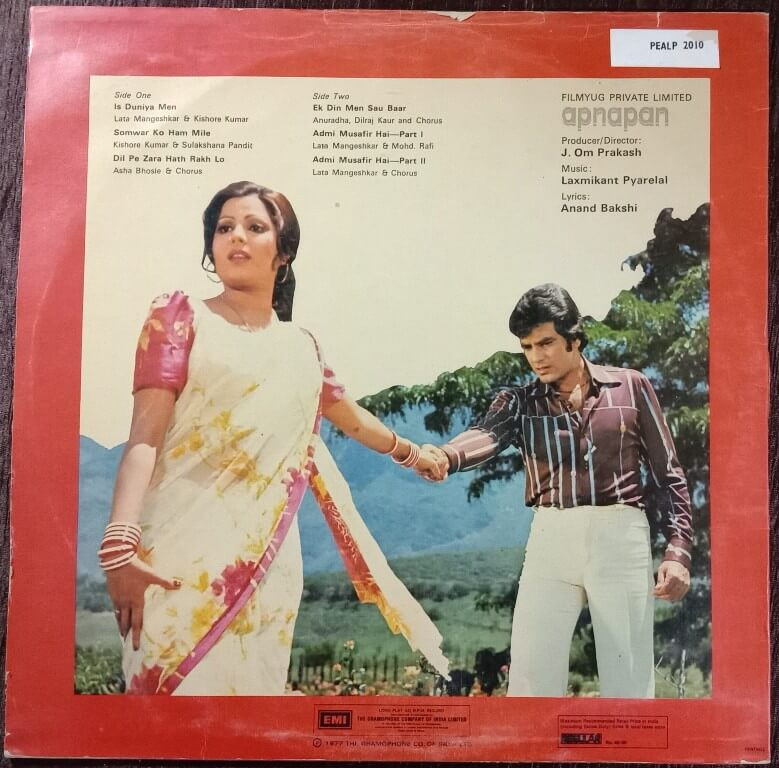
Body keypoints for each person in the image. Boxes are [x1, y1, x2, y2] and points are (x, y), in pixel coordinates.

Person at [100, 180, 447, 695]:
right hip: (177, 558)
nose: (236, 236)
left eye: (254, 227)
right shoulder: (180, 317)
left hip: (268, 566)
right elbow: (144, 438)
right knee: (170, 710)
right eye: (224, 227)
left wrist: (416, 454)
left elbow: (352, 419)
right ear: (210, 246)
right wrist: (119, 546)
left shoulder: (300, 347)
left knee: (250, 709)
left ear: (283, 254)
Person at [419, 283, 692, 698]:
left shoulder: (631, 388)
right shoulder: (518, 402)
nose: (536, 357)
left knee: (630, 686)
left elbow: (668, 473)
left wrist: (678, 551)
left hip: (621, 536)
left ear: (575, 338)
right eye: (527, 347)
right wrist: (443, 455)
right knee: (530, 684)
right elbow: (485, 435)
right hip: (551, 538)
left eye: (545, 343)